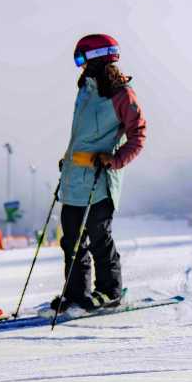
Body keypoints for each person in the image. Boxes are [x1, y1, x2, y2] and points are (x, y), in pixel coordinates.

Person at [51, 34, 147, 314]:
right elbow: (81, 135)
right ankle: (77, 294)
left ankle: (110, 291)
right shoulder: (85, 90)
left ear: (96, 58)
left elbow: (138, 135)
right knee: (71, 238)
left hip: (99, 178)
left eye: (81, 59)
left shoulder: (121, 94)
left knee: (98, 235)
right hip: (74, 177)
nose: (79, 66)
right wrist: (67, 158)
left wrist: (116, 160)